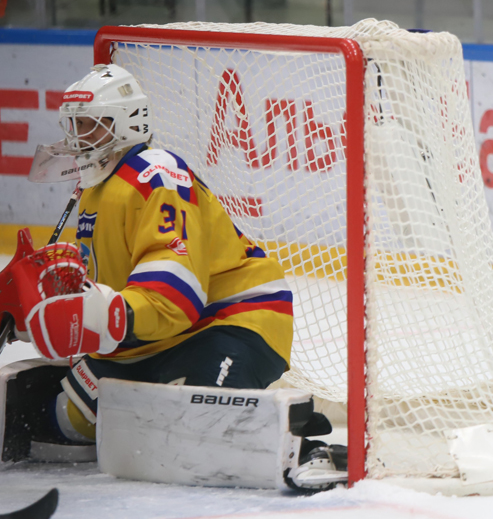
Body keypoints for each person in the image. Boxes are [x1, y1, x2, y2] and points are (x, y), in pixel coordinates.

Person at [0, 63, 343, 490]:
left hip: (230, 322)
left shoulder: (155, 175)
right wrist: (38, 313)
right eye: (74, 124)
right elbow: (109, 282)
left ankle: (308, 449)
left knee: (205, 425)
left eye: (89, 124)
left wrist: (107, 313)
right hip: (151, 338)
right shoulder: (94, 188)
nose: (76, 137)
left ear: (126, 123)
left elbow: (175, 295)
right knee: (62, 420)